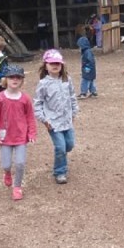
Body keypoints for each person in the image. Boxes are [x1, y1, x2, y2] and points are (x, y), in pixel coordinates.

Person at [0, 65, 37, 201]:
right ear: (6, 79)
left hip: (21, 137)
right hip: (5, 137)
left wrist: (32, 133)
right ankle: (7, 173)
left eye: (18, 77)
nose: (15, 79)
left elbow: (30, 117)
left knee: (20, 163)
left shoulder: (25, 99)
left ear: (22, 80)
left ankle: (17, 187)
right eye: (11, 77)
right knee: (6, 164)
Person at [34, 49, 79, 184]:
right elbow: (37, 103)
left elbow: (72, 96)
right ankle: (60, 171)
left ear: (62, 65)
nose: (55, 65)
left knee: (69, 145)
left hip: (67, 120)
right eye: (52, 63)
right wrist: (44, 119)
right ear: (45, 66)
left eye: (58, 63)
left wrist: (74, 112)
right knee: (60, 147)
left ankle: (61, 160)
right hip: (52, 122)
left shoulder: (67, 79)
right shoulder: (43, 84)